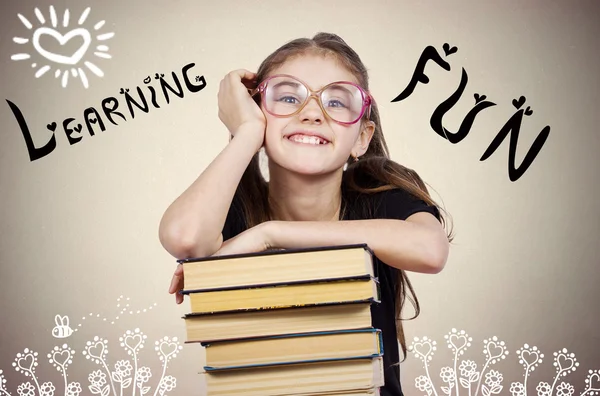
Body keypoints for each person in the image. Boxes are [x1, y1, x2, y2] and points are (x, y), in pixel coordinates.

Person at [159, 32, 453, 396]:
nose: (312, 112)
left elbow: (430, 250)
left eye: (336, 102)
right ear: (258, 113)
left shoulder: (380, 198)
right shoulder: (234, 207)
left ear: (362, 137)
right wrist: (247, 132)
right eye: (287, 97)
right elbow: (184, 238)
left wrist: (271, 234)